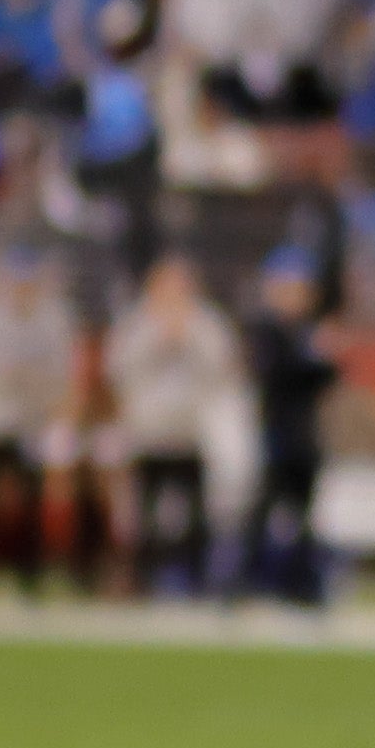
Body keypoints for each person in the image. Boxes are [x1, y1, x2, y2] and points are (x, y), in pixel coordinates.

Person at [0, 250, 84, 599]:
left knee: (60, 457)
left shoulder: (56, 320)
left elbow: (72, 385)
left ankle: (54, 563)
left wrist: (59, 412)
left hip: (40, 419)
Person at [105, 253, 234, 598]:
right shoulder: (136, 323)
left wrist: (186, 337)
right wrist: (158, 339)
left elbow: (221, 369)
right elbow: (118, 371)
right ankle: (140, 579)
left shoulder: (206, 323)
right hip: (148, 434)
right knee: (142, 515)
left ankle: (198, 580)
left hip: (189, 433)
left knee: (196, 513)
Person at [235, 255, 340, 605]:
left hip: (305, 436)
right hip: (277, 435)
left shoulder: (306, 332)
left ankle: (302, 585)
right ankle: (243, 583)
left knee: (304, 515)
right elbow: (280, 375)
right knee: (264, 511)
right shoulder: (268, 332)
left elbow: (327, 375)